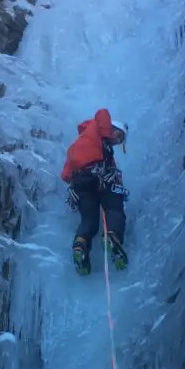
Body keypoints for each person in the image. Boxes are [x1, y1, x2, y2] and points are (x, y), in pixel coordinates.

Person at [60, 108, 129, 276]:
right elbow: (102, 112)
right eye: (118, 134)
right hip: (99, 176)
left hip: (81, 183)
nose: (117, 140)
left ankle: (80, 245)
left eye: (120, 140)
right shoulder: (98, 126)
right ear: (111, 127)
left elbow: (66, 174)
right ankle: (113, 235)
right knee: (114, 205)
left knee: (89, 219)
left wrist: (74, 187)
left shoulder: (83, 143)